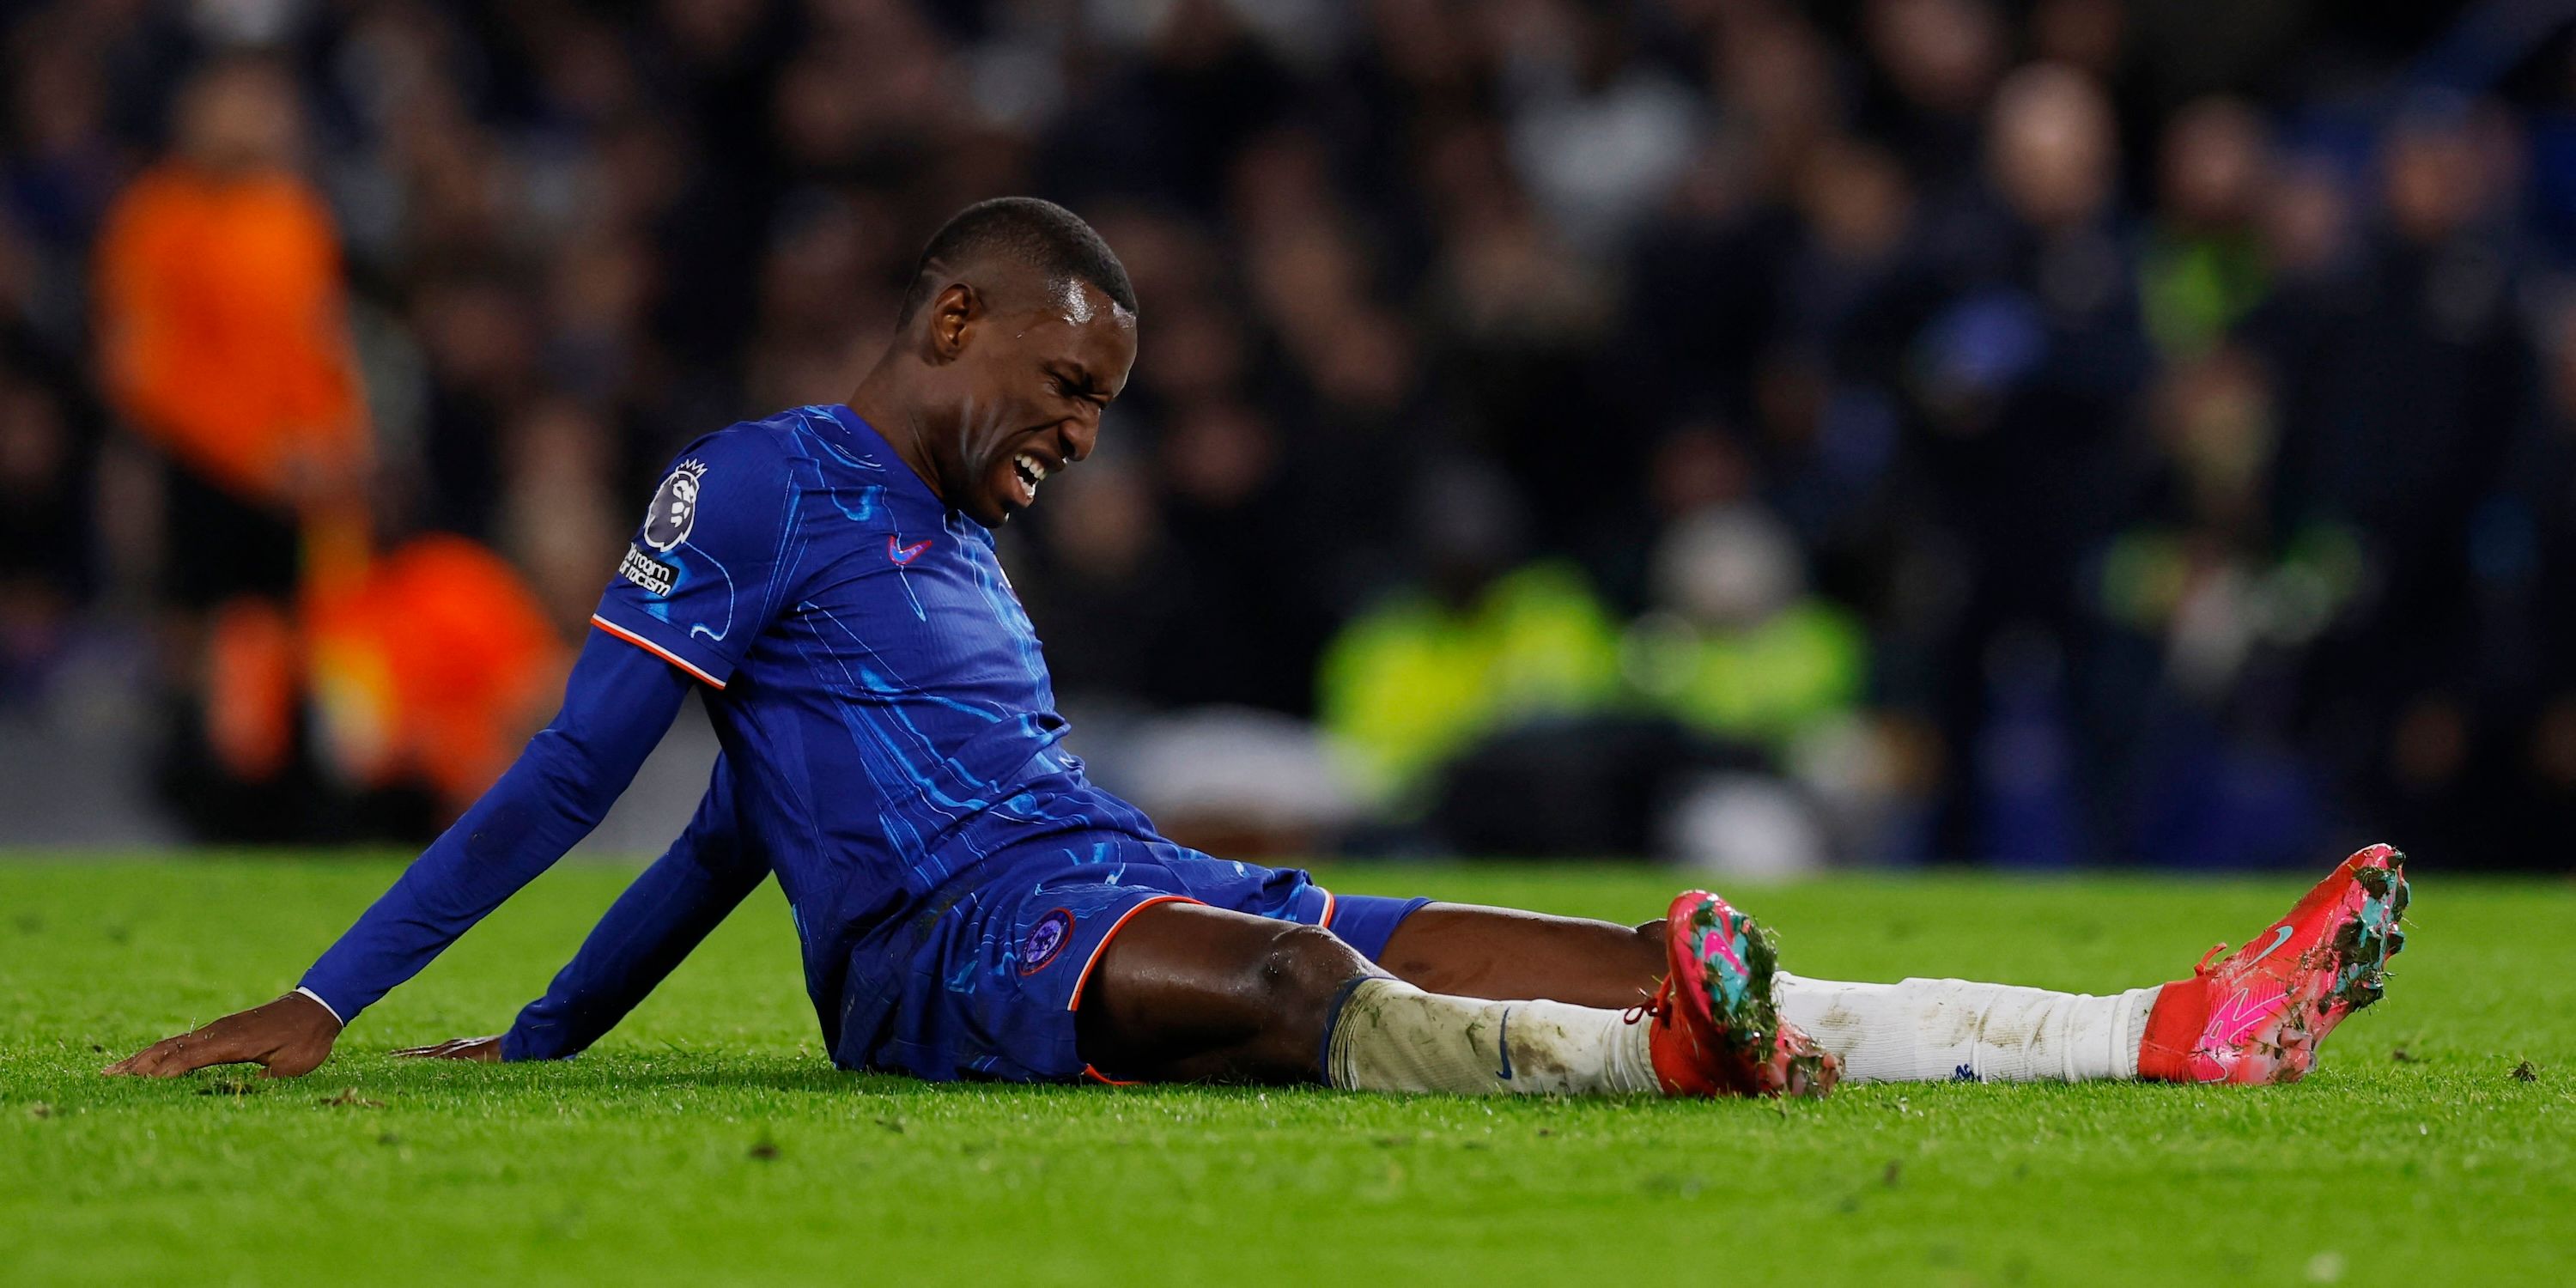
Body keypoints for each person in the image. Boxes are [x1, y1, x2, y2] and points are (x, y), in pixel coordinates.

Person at [105, 198, 2409, 1097]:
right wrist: (341, 1002)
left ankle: (2172, 1027)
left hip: (1104, 874)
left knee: (1619, 945)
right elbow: (575, 772)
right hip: (961, 954)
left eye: (1099, 412)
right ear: (946, 319)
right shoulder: (760, 485)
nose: (1073, 443)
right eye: (1060, 391)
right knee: (1312, 998)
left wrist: (551, 1037)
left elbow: (727, 841)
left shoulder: (949, 556)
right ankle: (1670, 1071)